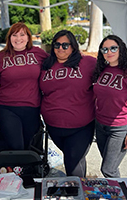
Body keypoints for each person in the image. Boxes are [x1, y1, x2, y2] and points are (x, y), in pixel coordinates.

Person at [40, 30, 96, 177]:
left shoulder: (88, 63)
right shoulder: (46, 65)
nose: (60, 48)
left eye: (65, 45)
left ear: (73, 46)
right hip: (54, 127)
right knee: (75, 161)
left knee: (73, 163)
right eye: (57, 45)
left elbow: (113, 72)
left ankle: (76, 196)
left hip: (80, 127)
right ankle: (83, 191)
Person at [92, 34, 127, 178]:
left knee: (108, 169)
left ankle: (119, 197)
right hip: (100, 125)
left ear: (121, 49)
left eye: (113, 48)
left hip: (119, 128)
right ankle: (116, 194)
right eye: (105, 49)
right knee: (111, 168)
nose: (109, 52)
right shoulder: (102, 70)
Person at [0, 22, 48, 150]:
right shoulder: (1, 56)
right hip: (7, 107)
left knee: (29, 145)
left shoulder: (38, 53)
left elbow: (56, 65)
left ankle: (26, 170)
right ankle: (13, 169)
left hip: (32, 108)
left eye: (22, 35)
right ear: (9, 38)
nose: (18, 39)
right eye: (14, 35)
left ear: (28, 37)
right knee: (16, 147)